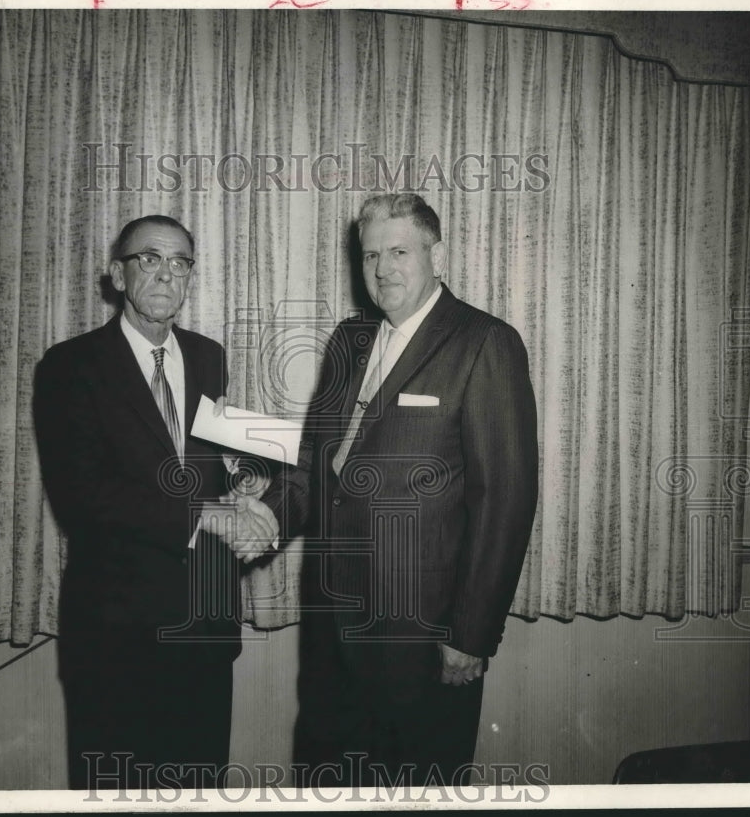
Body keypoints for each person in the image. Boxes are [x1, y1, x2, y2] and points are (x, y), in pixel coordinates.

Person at [226, 193, 539, 786]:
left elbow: (506, 499)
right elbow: (318, 462)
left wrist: (470, 635)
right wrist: (265, 515)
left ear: (436, 254)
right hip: (331, 630)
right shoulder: (350, 340)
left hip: (421, 638)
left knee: (416, 789)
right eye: (371, 255)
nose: (383, 269)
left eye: (399, 251)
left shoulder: (484, 342)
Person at [33, 215, 276, 791]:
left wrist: (253, 475)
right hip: (117, 636)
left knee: (200, 789)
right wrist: (206, 515)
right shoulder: (71, 366)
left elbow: (221, 447)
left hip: (206, 627)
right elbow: (82, 496)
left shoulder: (208, 355)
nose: (167, 274)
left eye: (181, 262)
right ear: (118, 275)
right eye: (150, 259)